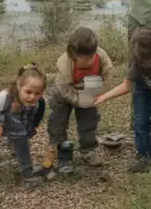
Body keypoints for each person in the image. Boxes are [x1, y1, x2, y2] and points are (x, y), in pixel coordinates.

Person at [94, 27, 151, 176]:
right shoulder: (137, 57)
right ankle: (143, 155)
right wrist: (104, 96)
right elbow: (127, 85)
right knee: (140, 121)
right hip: (143, 86)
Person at [44, 26, 114, 171]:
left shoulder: (102, 59)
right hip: (64, 91)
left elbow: (106, 81)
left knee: (89, 120)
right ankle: (60, 148)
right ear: (73, 55)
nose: (88, 61)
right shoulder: (64, 64)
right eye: (83, 58)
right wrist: (78, 101)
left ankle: (88, 150)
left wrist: (95, 96)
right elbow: (64, 89)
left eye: (91, 57)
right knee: (58, 120)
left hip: (88, 88)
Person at [0, 64, 47, 184]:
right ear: (19, 85)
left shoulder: (39, 102)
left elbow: (38, 113)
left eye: (37, 93)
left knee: (21, 137)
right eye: (28, 92)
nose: (32, 97)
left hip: (16, 123)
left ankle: (23, 164)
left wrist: (32, 127)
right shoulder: (4, 97)